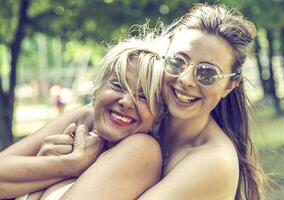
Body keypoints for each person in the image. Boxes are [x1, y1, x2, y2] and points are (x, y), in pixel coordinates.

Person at [43, 3, 265, 200]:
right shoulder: (139, 120)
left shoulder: (213, 162)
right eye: (178, 62)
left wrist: (58, 173)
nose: (186, 80)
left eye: (207, 73)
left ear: (230, 85)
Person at [0, 37, 164, 200]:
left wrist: (64, 165)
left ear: (157, 116)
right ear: (96, 91)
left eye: (143, 97)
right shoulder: (84, 120)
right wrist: (68, 165)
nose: (127, 102)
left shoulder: (143, 149)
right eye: (118, 86)